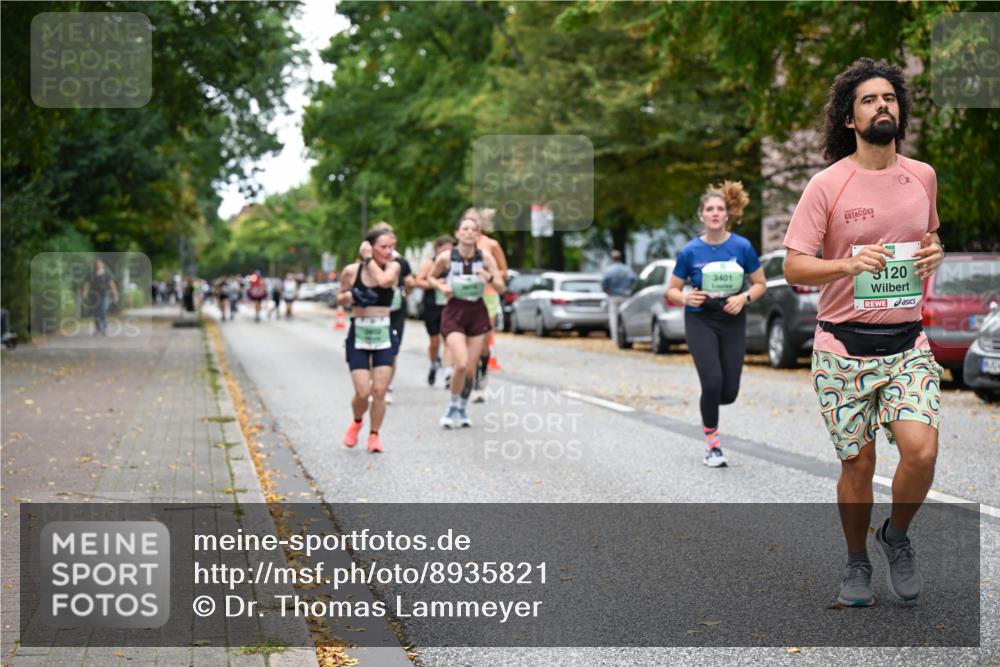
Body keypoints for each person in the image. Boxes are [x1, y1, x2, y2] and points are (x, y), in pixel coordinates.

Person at [783, 58, 945, 608]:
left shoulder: (922, 176)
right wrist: (847, 267)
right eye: (869, 101)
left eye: (889, 98)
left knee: (920, 453)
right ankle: (856, 563)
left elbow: (928, 240)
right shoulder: (828, 184)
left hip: (906, 343)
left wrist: (934, 253)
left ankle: (895, 536)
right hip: (842, 346)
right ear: (850, 119)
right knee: (859, 463)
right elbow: (794, 267)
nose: (883, 107)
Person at [666, 181, 766, 468]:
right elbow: (672, 290)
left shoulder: (741, 246)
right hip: (701, 319)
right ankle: (713, 447)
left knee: (728, 391)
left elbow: (760, 284)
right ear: (702, 215)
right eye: (709, 209)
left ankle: (711, 405)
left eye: (719, 209)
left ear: (727, 215)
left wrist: (744, 298)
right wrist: (686, 297)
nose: (714, 213)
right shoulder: (690, 251)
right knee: (711, 383)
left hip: (733, 317)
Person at [427, 213, 505, 428]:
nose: (469, 232)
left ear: (478, 234)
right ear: (457, 234)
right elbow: (431, 277)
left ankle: (462, 407)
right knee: (460, 363)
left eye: (474, 230)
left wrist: (488, 277)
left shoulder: (486, 258)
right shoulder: (446, 258)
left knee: (470, 368)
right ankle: (452, 405)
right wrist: (442, 287)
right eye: (465, 229)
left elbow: (501, 286)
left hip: (477, 311)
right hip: (454, 311)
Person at [335, 228, 402, 453]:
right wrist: (352, 296)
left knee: (380, 392)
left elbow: (383, 282)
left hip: (383, 334)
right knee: (363, 392)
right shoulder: (351, 271)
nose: (388, 251)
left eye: (391, 247)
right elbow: (339, 296)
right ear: (370, 246)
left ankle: (374, 435)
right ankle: (356, 421)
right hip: (360, 335)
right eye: (383, 247)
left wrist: (367, 259)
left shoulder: (394, 267)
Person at [473, 209, 509, 402]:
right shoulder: (458, 247)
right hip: (465, 297)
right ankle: (466, 375)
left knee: (484, 341)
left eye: (478, 222)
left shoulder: (491, 245)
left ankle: (482, 374)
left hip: (487, 295)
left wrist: (490, 276)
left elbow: (504, 270)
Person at [416, 235, 455, 386]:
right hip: (432, 306)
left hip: (449, 306)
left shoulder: (454, 264)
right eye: (444, 249)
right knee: (434, 341)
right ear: (437, 249)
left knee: (449, 340)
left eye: (450, 249)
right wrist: (435, 284)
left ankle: (448, 373)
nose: (447, 252)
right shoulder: (429, 264)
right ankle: (433, 364)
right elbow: (418, 281)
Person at [601, 249, 638, 344]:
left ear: (612, 259)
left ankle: (615, 338)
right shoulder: (627, 269)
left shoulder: (608, 270)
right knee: (625, 316)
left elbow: (604, 282)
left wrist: (607, 291)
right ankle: (625, 336)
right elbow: (633, 279)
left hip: (613, 296)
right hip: (625, 296)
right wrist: (629, 289)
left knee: (613, 317)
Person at [81, 258, 119, 336]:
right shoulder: (91, 275)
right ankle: (98, 329)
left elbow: (112, 285)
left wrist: (115, 294)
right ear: (95, 265)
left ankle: (104, 328)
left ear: (102, 265)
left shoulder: (106, 275)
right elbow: (87, 284)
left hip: (104, 296)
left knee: (103, 312)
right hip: (94, 297)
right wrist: (85, 292)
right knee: (95, 313)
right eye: (97, 263)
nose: (98, 265)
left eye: (99, 263)